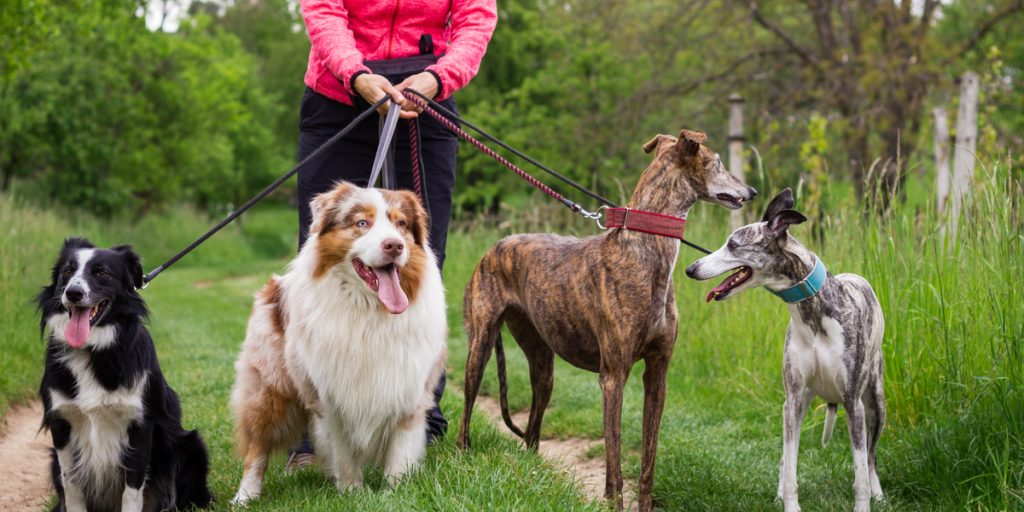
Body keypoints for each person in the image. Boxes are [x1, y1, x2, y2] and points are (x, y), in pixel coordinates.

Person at [287, 0, 498, 469]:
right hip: (339, 99)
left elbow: (475, 18)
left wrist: (438, 79)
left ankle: (419, 410)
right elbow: (323, 10)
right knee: (324, 256)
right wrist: (356, 74)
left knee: (416, 257)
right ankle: (316, 422)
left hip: (425, 99)